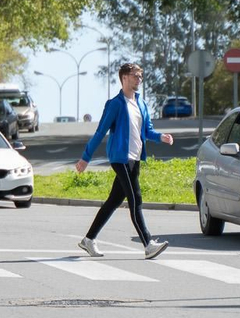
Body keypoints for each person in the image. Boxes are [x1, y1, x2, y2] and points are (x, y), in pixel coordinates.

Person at [72, 62, 174, 260]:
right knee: (135, 198)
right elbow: (100, 131)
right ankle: (148, 244)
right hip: (120, 158)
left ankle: (88, 239)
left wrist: (161, 137)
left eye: (140, 76)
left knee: (113, 201)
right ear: (124, 78)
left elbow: (147, 131)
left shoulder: (141, 103)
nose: (139, 80)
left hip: (135, 158)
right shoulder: (115, 104)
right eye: (136, 76)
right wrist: (85, 158)